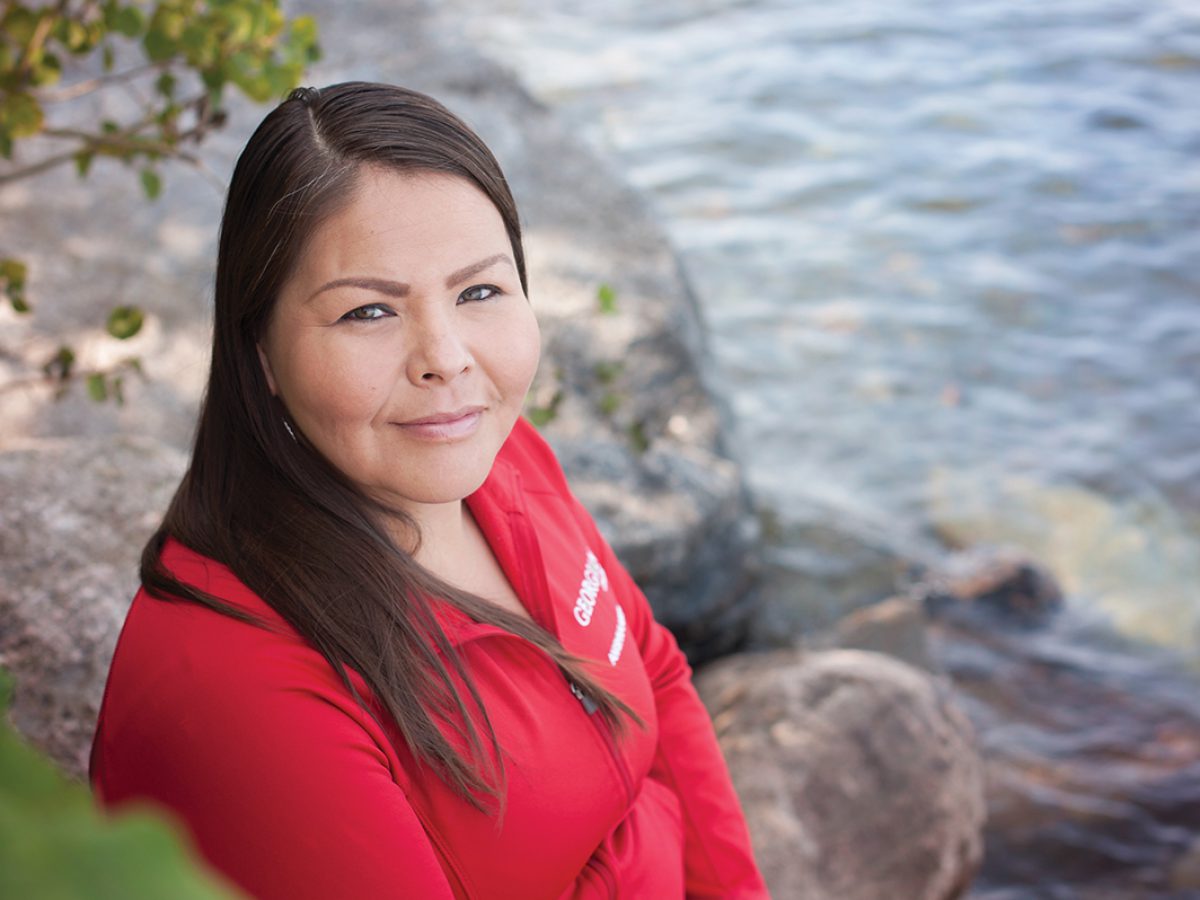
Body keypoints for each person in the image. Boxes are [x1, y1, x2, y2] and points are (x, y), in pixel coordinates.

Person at [89, 81, 767, 899]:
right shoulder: (243, 691)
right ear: (260, 352)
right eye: (369, 312)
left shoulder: (504, 459)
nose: (444, 358)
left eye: (479, 291)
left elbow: (653, 670)